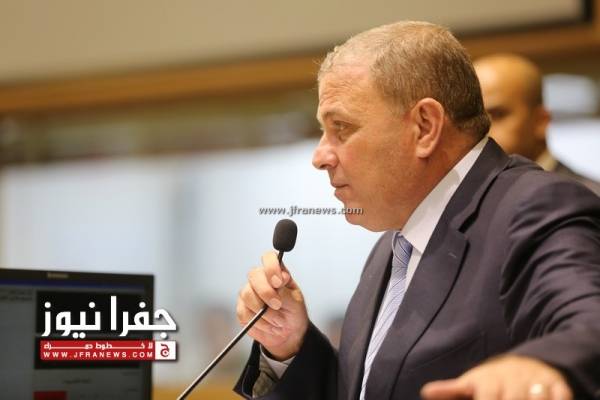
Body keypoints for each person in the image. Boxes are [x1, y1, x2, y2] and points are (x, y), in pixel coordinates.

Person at [234, 21, 600, 400]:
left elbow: (590, 322)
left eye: (340, 127)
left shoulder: (535, 206)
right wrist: (290, 346)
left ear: (425, 127)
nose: (320, 156)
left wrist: (544, 367)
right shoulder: (393, 245)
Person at [474, 53, 600, 196]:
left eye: (498, 115)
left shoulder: (590, 199)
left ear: (541, 121)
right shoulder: (473, 199)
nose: (482, 130)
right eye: (474, 120)